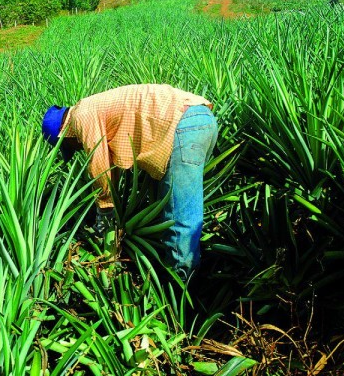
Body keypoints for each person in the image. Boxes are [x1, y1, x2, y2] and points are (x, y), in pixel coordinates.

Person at [42, 84, 218, 280]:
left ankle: (181, 287)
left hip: (184, 127)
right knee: (179, 205)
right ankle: (185, 270)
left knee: (178, 215)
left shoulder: (80, 116)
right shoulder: (92, 107)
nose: (77, 150)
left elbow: (99, 164)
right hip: (200, 118)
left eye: (70, 147)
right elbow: (110, 164)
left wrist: (105, 208)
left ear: (63, 135)